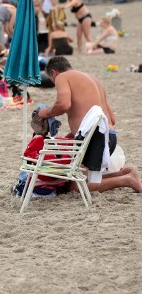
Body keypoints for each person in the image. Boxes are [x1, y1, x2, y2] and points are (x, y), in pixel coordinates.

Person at [38, 56, 141, 192]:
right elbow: (112, 119)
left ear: (54, 73)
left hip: (94, 139)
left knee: (76, 186)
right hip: (109, 136)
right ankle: (124, 173)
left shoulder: (62, 77)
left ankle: (126, 180)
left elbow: (63, 104)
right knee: (86, 178)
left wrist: (44, 113)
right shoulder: (92, 79)